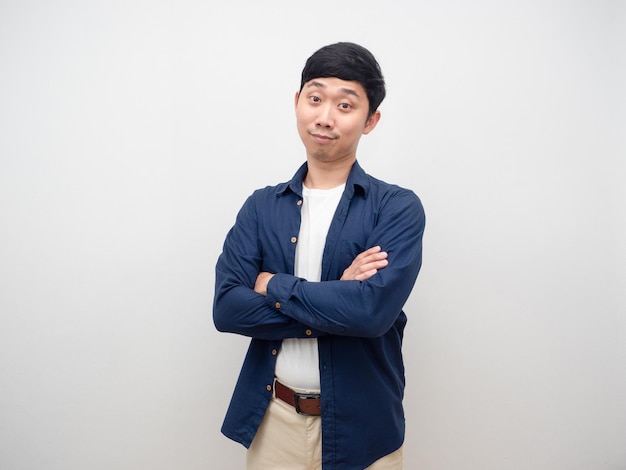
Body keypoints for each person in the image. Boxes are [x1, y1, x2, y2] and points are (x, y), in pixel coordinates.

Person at [213, 42, 425, 470]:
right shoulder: (260, 207)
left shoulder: (396, 207)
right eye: (315, 98)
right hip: (274, 424)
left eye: (345, 105)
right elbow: (228, 310)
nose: (325, 116)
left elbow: (371, 315)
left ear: (371, 120)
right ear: (297, 103)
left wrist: (273, 284)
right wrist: (337, 297)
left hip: (364, 428)